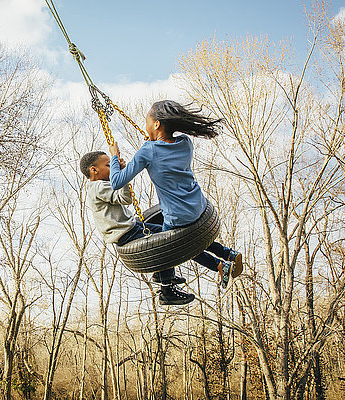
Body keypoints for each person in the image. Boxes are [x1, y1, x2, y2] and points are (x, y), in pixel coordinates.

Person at [108, 100, 243, 296]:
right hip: (199, 206)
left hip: (178, 216)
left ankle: (171, 288)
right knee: (191, 238)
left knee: (179, 247)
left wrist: (114, 157)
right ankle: (226, 255)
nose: (145, 124)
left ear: (156, 124)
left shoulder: (148, 151)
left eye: (147, 119)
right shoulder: (185, 142)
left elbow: (116, 182)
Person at [80, 150, 195, 305]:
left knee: (166, 232)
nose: (111, 167)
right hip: (126, 233)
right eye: (108, 165)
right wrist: (122, 175)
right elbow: (125, 198)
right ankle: (167, 291)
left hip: (132, 226)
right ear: (94, 170)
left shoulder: (99, 186)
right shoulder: (98, 186)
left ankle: (161, 275)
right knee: (165, 244)